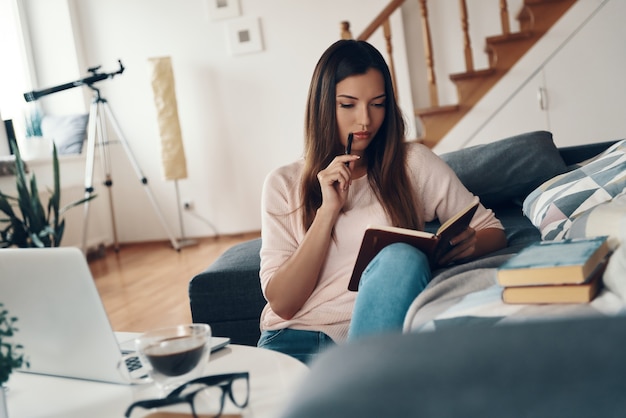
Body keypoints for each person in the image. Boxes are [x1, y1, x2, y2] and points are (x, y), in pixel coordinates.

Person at [257, 39, 506, 364]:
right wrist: (327, 211)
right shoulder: (283, 183)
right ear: (322, 106)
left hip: (374, 344)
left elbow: (492, 228)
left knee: (401, 257)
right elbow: (283, 303)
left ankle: (362, 384)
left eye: (377, 103)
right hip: (293, 340)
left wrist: (469, 245)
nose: (365, 120)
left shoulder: (411, 163)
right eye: (348, 105)